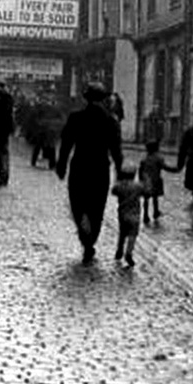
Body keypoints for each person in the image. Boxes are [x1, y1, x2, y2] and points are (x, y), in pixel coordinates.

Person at [54, 82, 123, 263]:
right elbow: (116, 149)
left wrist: (61, 165)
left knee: (78, 204)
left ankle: (85, 236)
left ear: (86, 98)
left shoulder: (76, 118)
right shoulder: (110, 120)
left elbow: (66, 143)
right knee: (97, 207)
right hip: (100, 169)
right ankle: (90, 241)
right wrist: (120, 171)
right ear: (104, 99)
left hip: (80, 167)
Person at [111, 161, 146, 267]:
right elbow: (146, 192)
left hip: (122, 213)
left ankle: (119, 250)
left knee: (122, 233)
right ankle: (129, 253)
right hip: (135, 214)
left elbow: (113, 191)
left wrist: (116, 178)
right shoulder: (138, 186)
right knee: (132, 235)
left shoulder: (119, 186)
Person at [138, 139, 167, 224]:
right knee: (155, 198)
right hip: (156, 180)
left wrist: (141, 180)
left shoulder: (144, 158)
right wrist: (175, 169)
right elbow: (164, 167)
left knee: (146, 199)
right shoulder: (159, 158)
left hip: (146, 180)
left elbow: (140, 170)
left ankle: (146, 215)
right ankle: (155, 212)